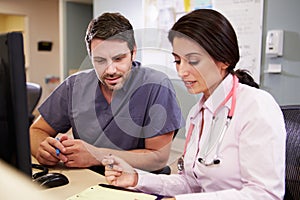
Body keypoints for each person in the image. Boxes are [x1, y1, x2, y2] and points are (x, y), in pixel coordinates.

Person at [102, 9, 286, 200]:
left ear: (225, 60)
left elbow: (265, 194)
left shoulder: (256, 106)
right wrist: (136, 179)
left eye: (193, 61)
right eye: (177, 61)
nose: (182, 71)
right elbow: (190, 184)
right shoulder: (198, 113)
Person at [30, 12, 183, 173]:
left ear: (133, 52)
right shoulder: (74, 86)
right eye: (100, 60)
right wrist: (44, 149)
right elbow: (36, 131)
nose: (110, 70)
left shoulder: (156, 86)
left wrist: (97, 156)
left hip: (136, 183)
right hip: (87, 178)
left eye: (118, 59)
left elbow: (157, 158)